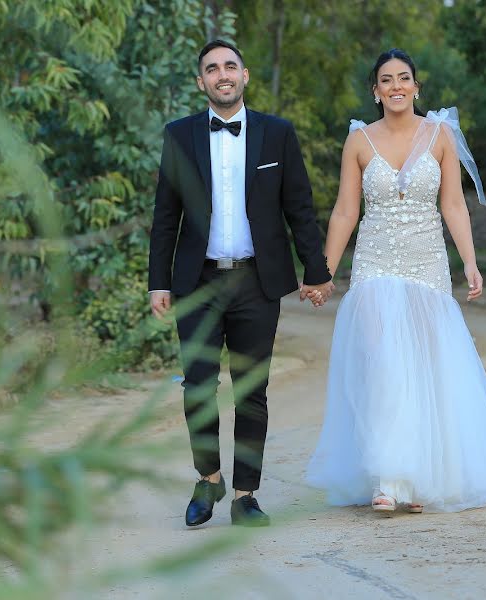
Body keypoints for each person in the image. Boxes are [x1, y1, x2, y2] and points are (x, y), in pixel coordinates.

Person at [306, 49, 486, 513]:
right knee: (382, 367)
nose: (396, 86)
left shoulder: (440, 135)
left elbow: (453, 206)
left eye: (404, 78)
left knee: (426, 368)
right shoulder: (359, 142)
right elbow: (346, 212)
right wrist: (322, 272)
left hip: (426, 265)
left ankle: (420, 479)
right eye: (387, 80)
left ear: (416, 87)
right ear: (375, 91)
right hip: (374, 265)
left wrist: (470, 262)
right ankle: (389, 480)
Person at [149, 39, 334, 527]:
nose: (222, 75)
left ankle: (246, 496)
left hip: (257, 280)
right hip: (198, 282)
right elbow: (165, 216)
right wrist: (157, 281)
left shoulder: (277, 134)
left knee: (252, 391)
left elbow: (299, 207)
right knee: (198, 387)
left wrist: (316, 270)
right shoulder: (179, 136)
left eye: (230, 66)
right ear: (201, 82)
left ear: (245, 75)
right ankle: (208, 480)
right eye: (212, 69)